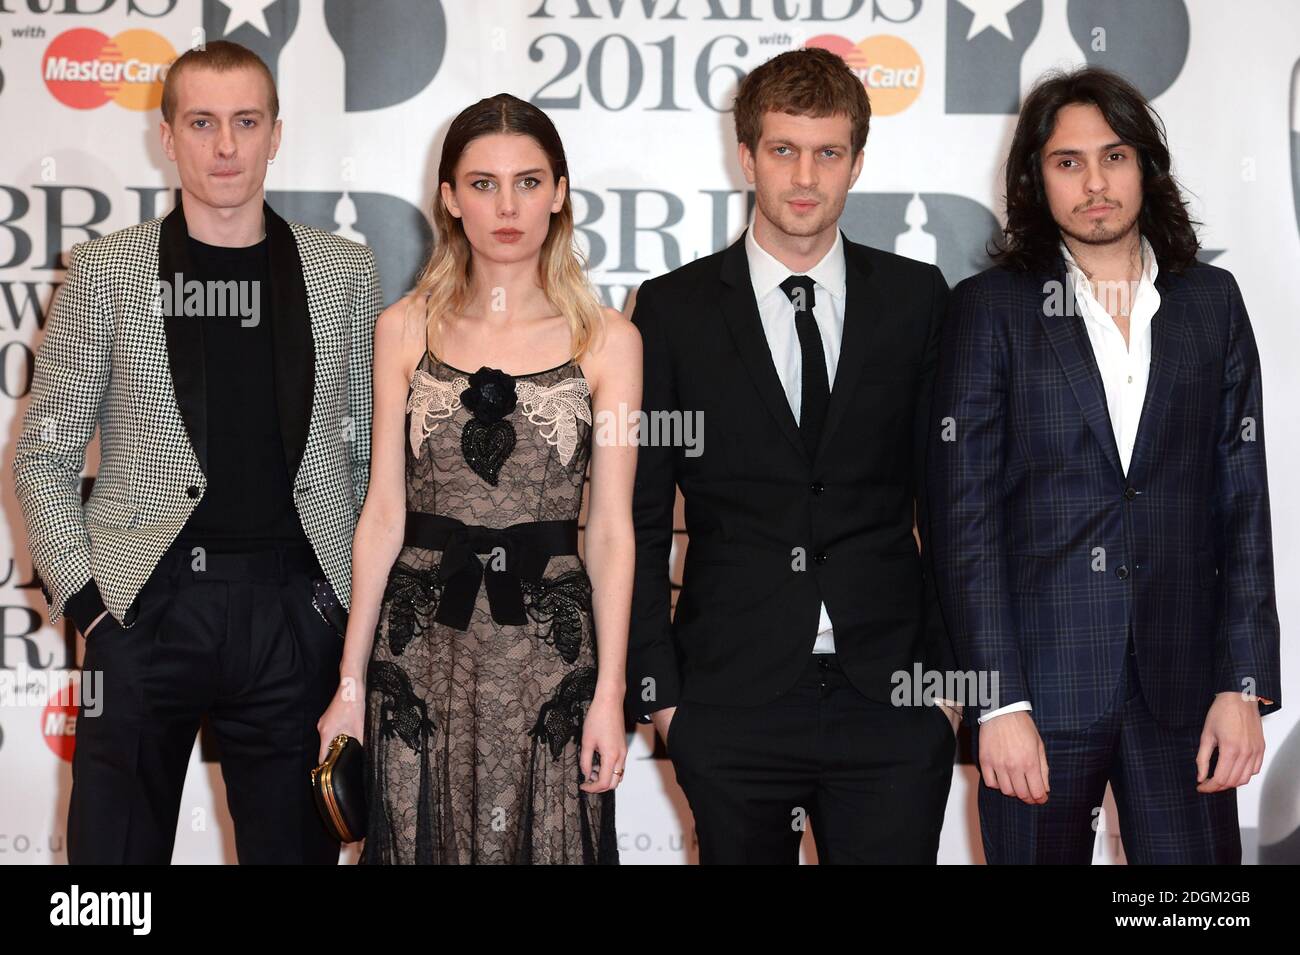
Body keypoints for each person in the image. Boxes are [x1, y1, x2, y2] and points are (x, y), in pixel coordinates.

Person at [13, 40, 380, 864]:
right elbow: (44, 452)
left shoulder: (344, 272)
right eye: (203, 123)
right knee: (112, 869)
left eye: (246, 122)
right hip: (147, 605)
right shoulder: (106, 270)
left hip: (296, 610)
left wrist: (342, 611)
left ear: (275, 134)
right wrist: (91, 607)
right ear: (168, 137)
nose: (225, 146)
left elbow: (367, 462)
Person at [928, 67, 1281, 864]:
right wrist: (999, 700)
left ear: (1145, 167)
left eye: (1114, 156)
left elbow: (1243, 502)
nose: (1095, 182)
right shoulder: (992, 310)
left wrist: (1243, 681)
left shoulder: (1211, 302)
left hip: (1186, 694)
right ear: (1035, 179)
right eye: (1068, 162)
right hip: (1039, 696)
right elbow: (964, 519)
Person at [625, 47, 958, 865]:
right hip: (729, 702)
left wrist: (947, 690)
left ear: (857, 162)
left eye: (828, 152)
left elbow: (956, 506)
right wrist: (663, 700)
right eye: (783, 150)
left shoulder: (918, 300)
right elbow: (637, 519)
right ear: (746, 156)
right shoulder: (673, 311)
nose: (805, 175)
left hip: (892, 700)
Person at [317, 93, 637, 864]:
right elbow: (383, 516)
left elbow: (612, 529)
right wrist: (350, 683)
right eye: (484, 183)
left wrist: (610, 692)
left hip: (550, 652)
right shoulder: (403, 327)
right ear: (451, 198)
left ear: (559, 193)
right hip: (421, 642)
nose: (508, 206)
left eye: (529, 182)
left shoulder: (609, 340)